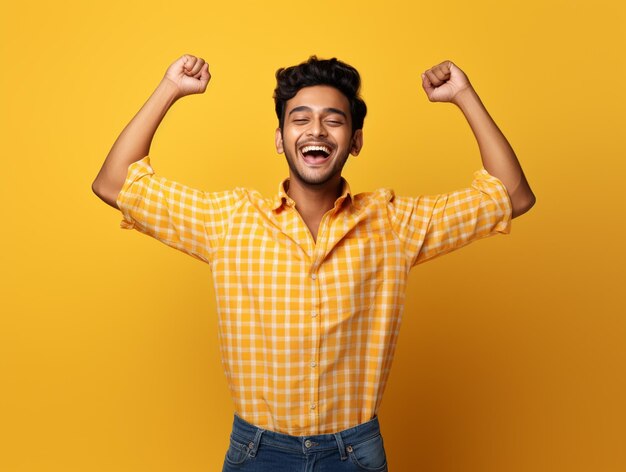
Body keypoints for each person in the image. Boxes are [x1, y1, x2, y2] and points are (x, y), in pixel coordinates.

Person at [92, 54, 535, 472]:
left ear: (355, 141)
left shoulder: (391, 222)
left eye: (334, 119)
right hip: (258, 451)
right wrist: (170, 87)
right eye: (300, 118)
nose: (316, 129)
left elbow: (512, 195)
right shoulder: (229, 220)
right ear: (280, 138)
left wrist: (464, 95)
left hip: (354, 453)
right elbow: (114, 182)